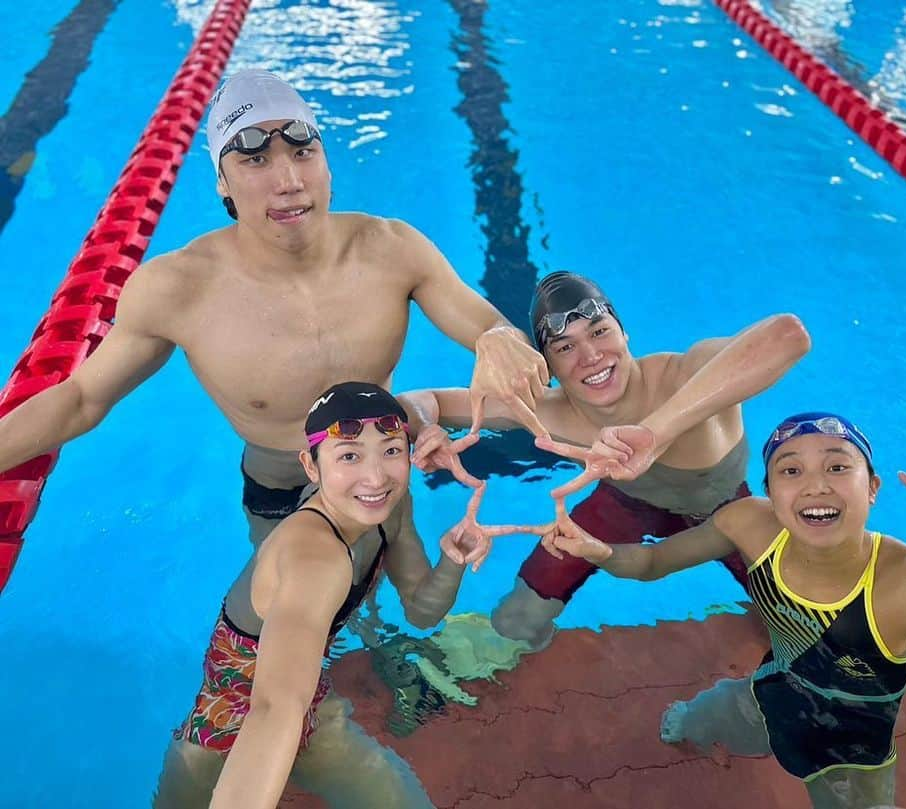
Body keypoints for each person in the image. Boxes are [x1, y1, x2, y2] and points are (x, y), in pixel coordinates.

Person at [0, 69, 548, 552]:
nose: (289, 182)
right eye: (256, 159)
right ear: (223, 182)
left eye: (303, 153)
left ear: (327, 163)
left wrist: (498, 337)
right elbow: (79, 400)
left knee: (376, 593)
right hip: (278, 479)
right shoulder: (179, 287)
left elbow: (490, 327)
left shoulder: (392, 249)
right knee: (281, 594)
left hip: (378, 469)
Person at [532, 412, 906, 809]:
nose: (815, 483)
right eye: (790, 471)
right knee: (694, 721)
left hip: (852, 752)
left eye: (838, 467)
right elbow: (651, 565)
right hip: (769, 690)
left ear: (873, 490)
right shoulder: (749, 523)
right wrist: (598, 552)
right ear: (769, 491)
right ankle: (695, 726)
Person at [155, 383, 527, 809]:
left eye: (390, 451)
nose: (375, 477)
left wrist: (452, 562)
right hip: (221, 730)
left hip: (312, 702)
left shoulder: (393, 504)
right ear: (311, 467)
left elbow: (422, 612)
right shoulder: (314, 557)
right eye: (349, 456)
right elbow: (275, 709)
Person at [400, 270, 811, 649]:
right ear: (548, 367)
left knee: (808, 624)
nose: (590, 355)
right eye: (565, 347)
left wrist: (656, 432)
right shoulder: (547, 410)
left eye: (599, 332)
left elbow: (788, 335)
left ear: (624, 333)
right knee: (515, 621)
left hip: (728, 507)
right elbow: (416, 402)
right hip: (626, 504)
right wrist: (426, 428)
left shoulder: (687, 375)